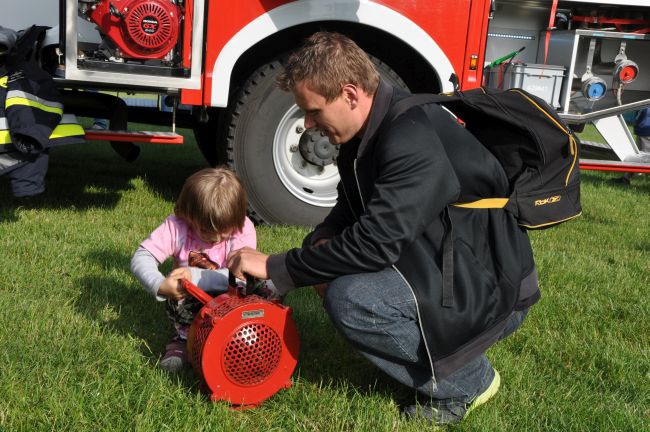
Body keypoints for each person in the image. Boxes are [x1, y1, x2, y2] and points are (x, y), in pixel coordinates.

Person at [227, 32, 540, 424]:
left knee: (353, 300)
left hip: (491, 286)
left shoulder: (410, 136)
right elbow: (350, 206)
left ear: (350, 95)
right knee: (329, 267)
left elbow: (374, 246)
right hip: (444, 259)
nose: (307, 124)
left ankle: (468, 381)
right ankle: (440, 359)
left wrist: (278, 266)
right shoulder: (371, 130)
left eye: (314, 111)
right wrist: (319, 242)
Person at [131, 167, 259, 373]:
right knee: (182, 300)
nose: (216, 239)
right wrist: (160, 284)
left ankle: (239, 336)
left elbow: (240, 278)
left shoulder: (242, 229)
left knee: (263, 287)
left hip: (230, 299)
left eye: (223, 232)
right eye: (207, 231)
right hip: (192, 302)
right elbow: (141, 257)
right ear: (189, 215)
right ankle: (182, 343)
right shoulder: (178, 227)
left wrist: (195, 275)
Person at [614, 107, 650, 186]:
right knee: (638, 158)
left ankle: (626, 178)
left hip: (647, 132)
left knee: (645, 160)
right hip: (642, 131)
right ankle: (626, 178)